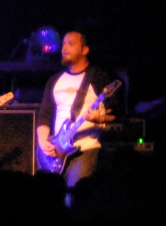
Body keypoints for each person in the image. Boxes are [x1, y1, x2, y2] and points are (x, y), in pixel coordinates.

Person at [36, 30, 118, 188]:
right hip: (56, 152)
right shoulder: (54, 80)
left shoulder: (98, 78)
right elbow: (44, 114)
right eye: (63, 44)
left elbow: (115, 113)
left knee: (75, 195)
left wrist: (100, 119)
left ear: (85, 50)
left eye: (71, 44)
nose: (64, 48)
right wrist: (43, 141)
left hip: (85, 149)